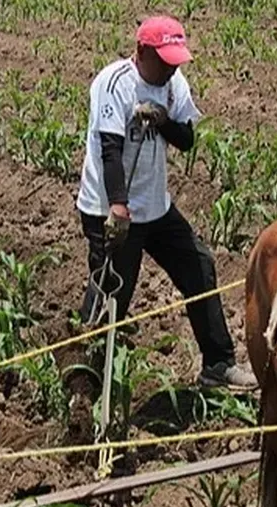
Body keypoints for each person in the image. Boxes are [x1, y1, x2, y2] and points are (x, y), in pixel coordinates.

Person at [72, 15, 258, 391]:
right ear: (142, 51)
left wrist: (162, 120)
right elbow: (110, 151)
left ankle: (218, 364)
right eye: (165, 60)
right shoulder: (114, 84)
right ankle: (84, 379)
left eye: (176, 61)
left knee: (199, 265)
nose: (172, 68)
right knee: (112, 291)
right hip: (109, 210)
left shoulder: (174, 84)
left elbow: (187, 138)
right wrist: (119, 207)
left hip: (156, 207)